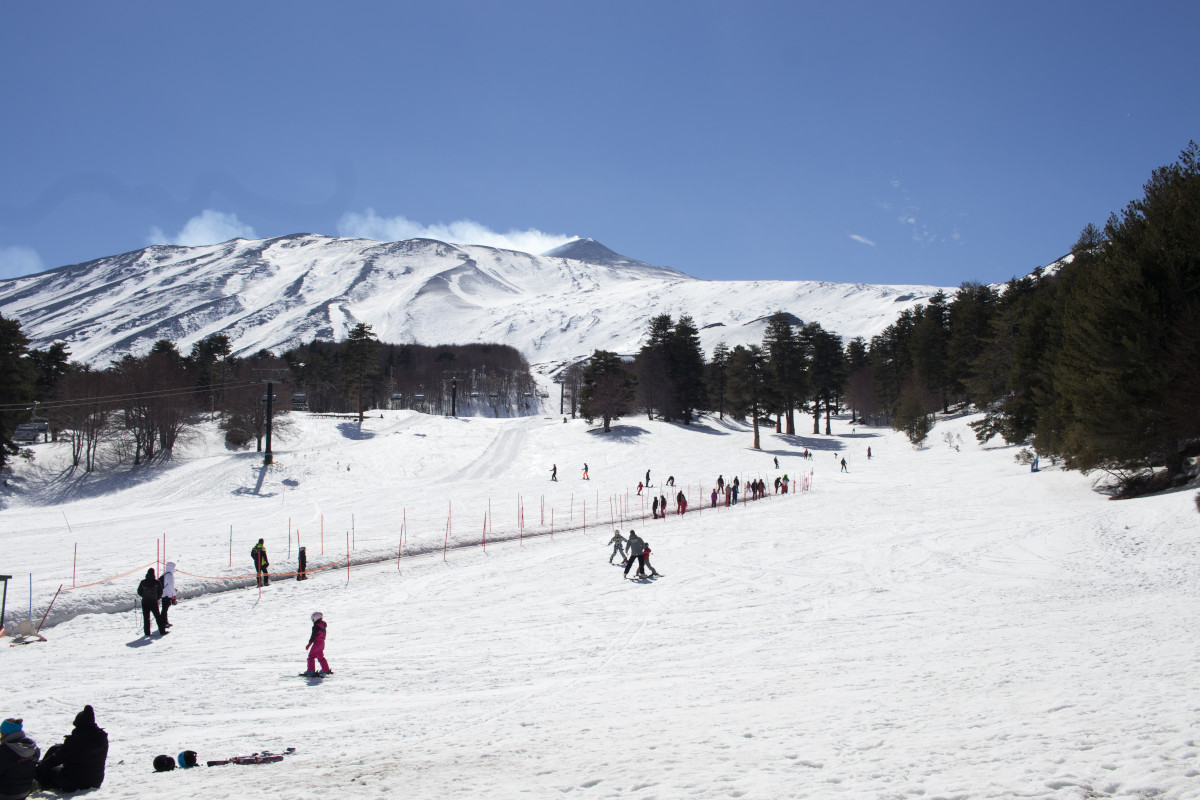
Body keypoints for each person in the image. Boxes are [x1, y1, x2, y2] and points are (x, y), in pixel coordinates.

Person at [35, 705, 108, 793]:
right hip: (95, 782)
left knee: (49, 770)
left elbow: (55, 760)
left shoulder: (75, 741)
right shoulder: (101, 738)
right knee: (56, 748)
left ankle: (38, 782)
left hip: (73, 783)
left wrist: (38, 768)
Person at [0, 718, 39, 800]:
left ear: (4, 734)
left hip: (5, 795)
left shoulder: (4, 751)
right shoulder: (33, 748)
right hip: (24, 792)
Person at [137, 568, 167, 637]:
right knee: (158, 617)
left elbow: (139, 591)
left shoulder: (143, 582)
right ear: (153, 574)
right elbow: (160, 592)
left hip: (145, 602)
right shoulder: (157, 582)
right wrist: (157, 598)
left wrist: (144, 596)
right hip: (153, 602)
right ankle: (162, 631)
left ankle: (147, 633)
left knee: (146, 617)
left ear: (147, 574)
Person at [303, 612, 331, 676]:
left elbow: (313, 637)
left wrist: (308, 645)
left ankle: (311, 670)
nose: (312, 621)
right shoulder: (322, 625)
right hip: (322, 644)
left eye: (313, 619)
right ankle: (325, 669)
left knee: (311, 656)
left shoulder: (316, 627)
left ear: (315, 619)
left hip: (317, 644)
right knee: (320, 656)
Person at [160, 561, 177, 628]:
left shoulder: (165, 574)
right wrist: (174, 594)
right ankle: (164, 622)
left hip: (164, 594)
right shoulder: (170, 576)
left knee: (164, 609)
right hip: (167, 594)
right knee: (165, 610)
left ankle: (164, 622)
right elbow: (170, 586)